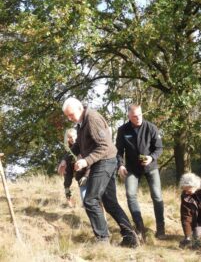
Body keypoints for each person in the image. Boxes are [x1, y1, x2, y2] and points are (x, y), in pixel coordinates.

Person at [58, 97, 138, 247]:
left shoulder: (92, 119)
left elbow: (104, 146)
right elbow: (77, 146)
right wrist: (64, 159)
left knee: (90, 200)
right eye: (67, 116)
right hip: (102, 162)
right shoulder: (80, 123)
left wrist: (86, 161)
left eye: (71, 115)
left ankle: (102, 240)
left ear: (80, 108)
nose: (70, 118)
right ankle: (131, 237)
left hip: (105, 161)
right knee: (110, 203)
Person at [116, 104, 165, 241]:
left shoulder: (151, 128)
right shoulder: (122, 130)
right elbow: (118, 151)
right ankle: (139, 228)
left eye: (139, 115)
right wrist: (120, 165)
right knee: (130, 194)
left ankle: (161, 229)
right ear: (129, 117)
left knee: (157, 196)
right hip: (132, 168)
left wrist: (151, 157)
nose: (138, 118)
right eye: (134, 116)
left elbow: (159, 148)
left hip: (151, 167)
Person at [58, 128, 90, 205]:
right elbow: (68, 172)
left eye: (73, 136)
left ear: (77, 135)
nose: (72, 139)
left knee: (98, 202)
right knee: (86, 203)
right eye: (69, 137)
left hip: (92, 175)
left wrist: (86, 175)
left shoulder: (86, 145)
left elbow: (91, 161)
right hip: (81, 179)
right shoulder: (68, 153)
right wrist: (67, 189)